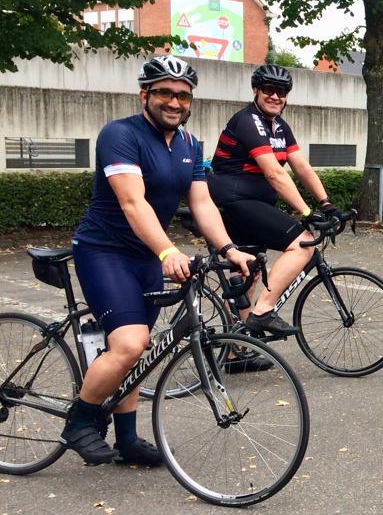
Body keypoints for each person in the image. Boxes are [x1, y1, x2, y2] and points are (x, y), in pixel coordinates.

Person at [63, 56, 256, 467]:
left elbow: (202, 204)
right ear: (144, 95)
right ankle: (79, 421)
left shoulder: (190, 145)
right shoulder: (120, 135)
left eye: (183, 95)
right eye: (165, 92)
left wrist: (229, 249)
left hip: (146, 257)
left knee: (139, 350)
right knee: (130, 343)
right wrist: (168, 251)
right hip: (105, 252)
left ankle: (127, 440)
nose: (174, 102)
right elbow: (132, 202)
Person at [208, 64, 339, 336]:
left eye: (282, 92)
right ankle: (264, 311)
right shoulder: (248, 121)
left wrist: (326, 203)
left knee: (248, 271)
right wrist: (306, 211)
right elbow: (274, 173)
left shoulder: (279, 126)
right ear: (255, 91)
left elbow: (301, 167)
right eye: (269, 89)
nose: (275, 96)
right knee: (303, 244)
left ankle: (236, 347)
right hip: (234, 200)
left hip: (252, 203)